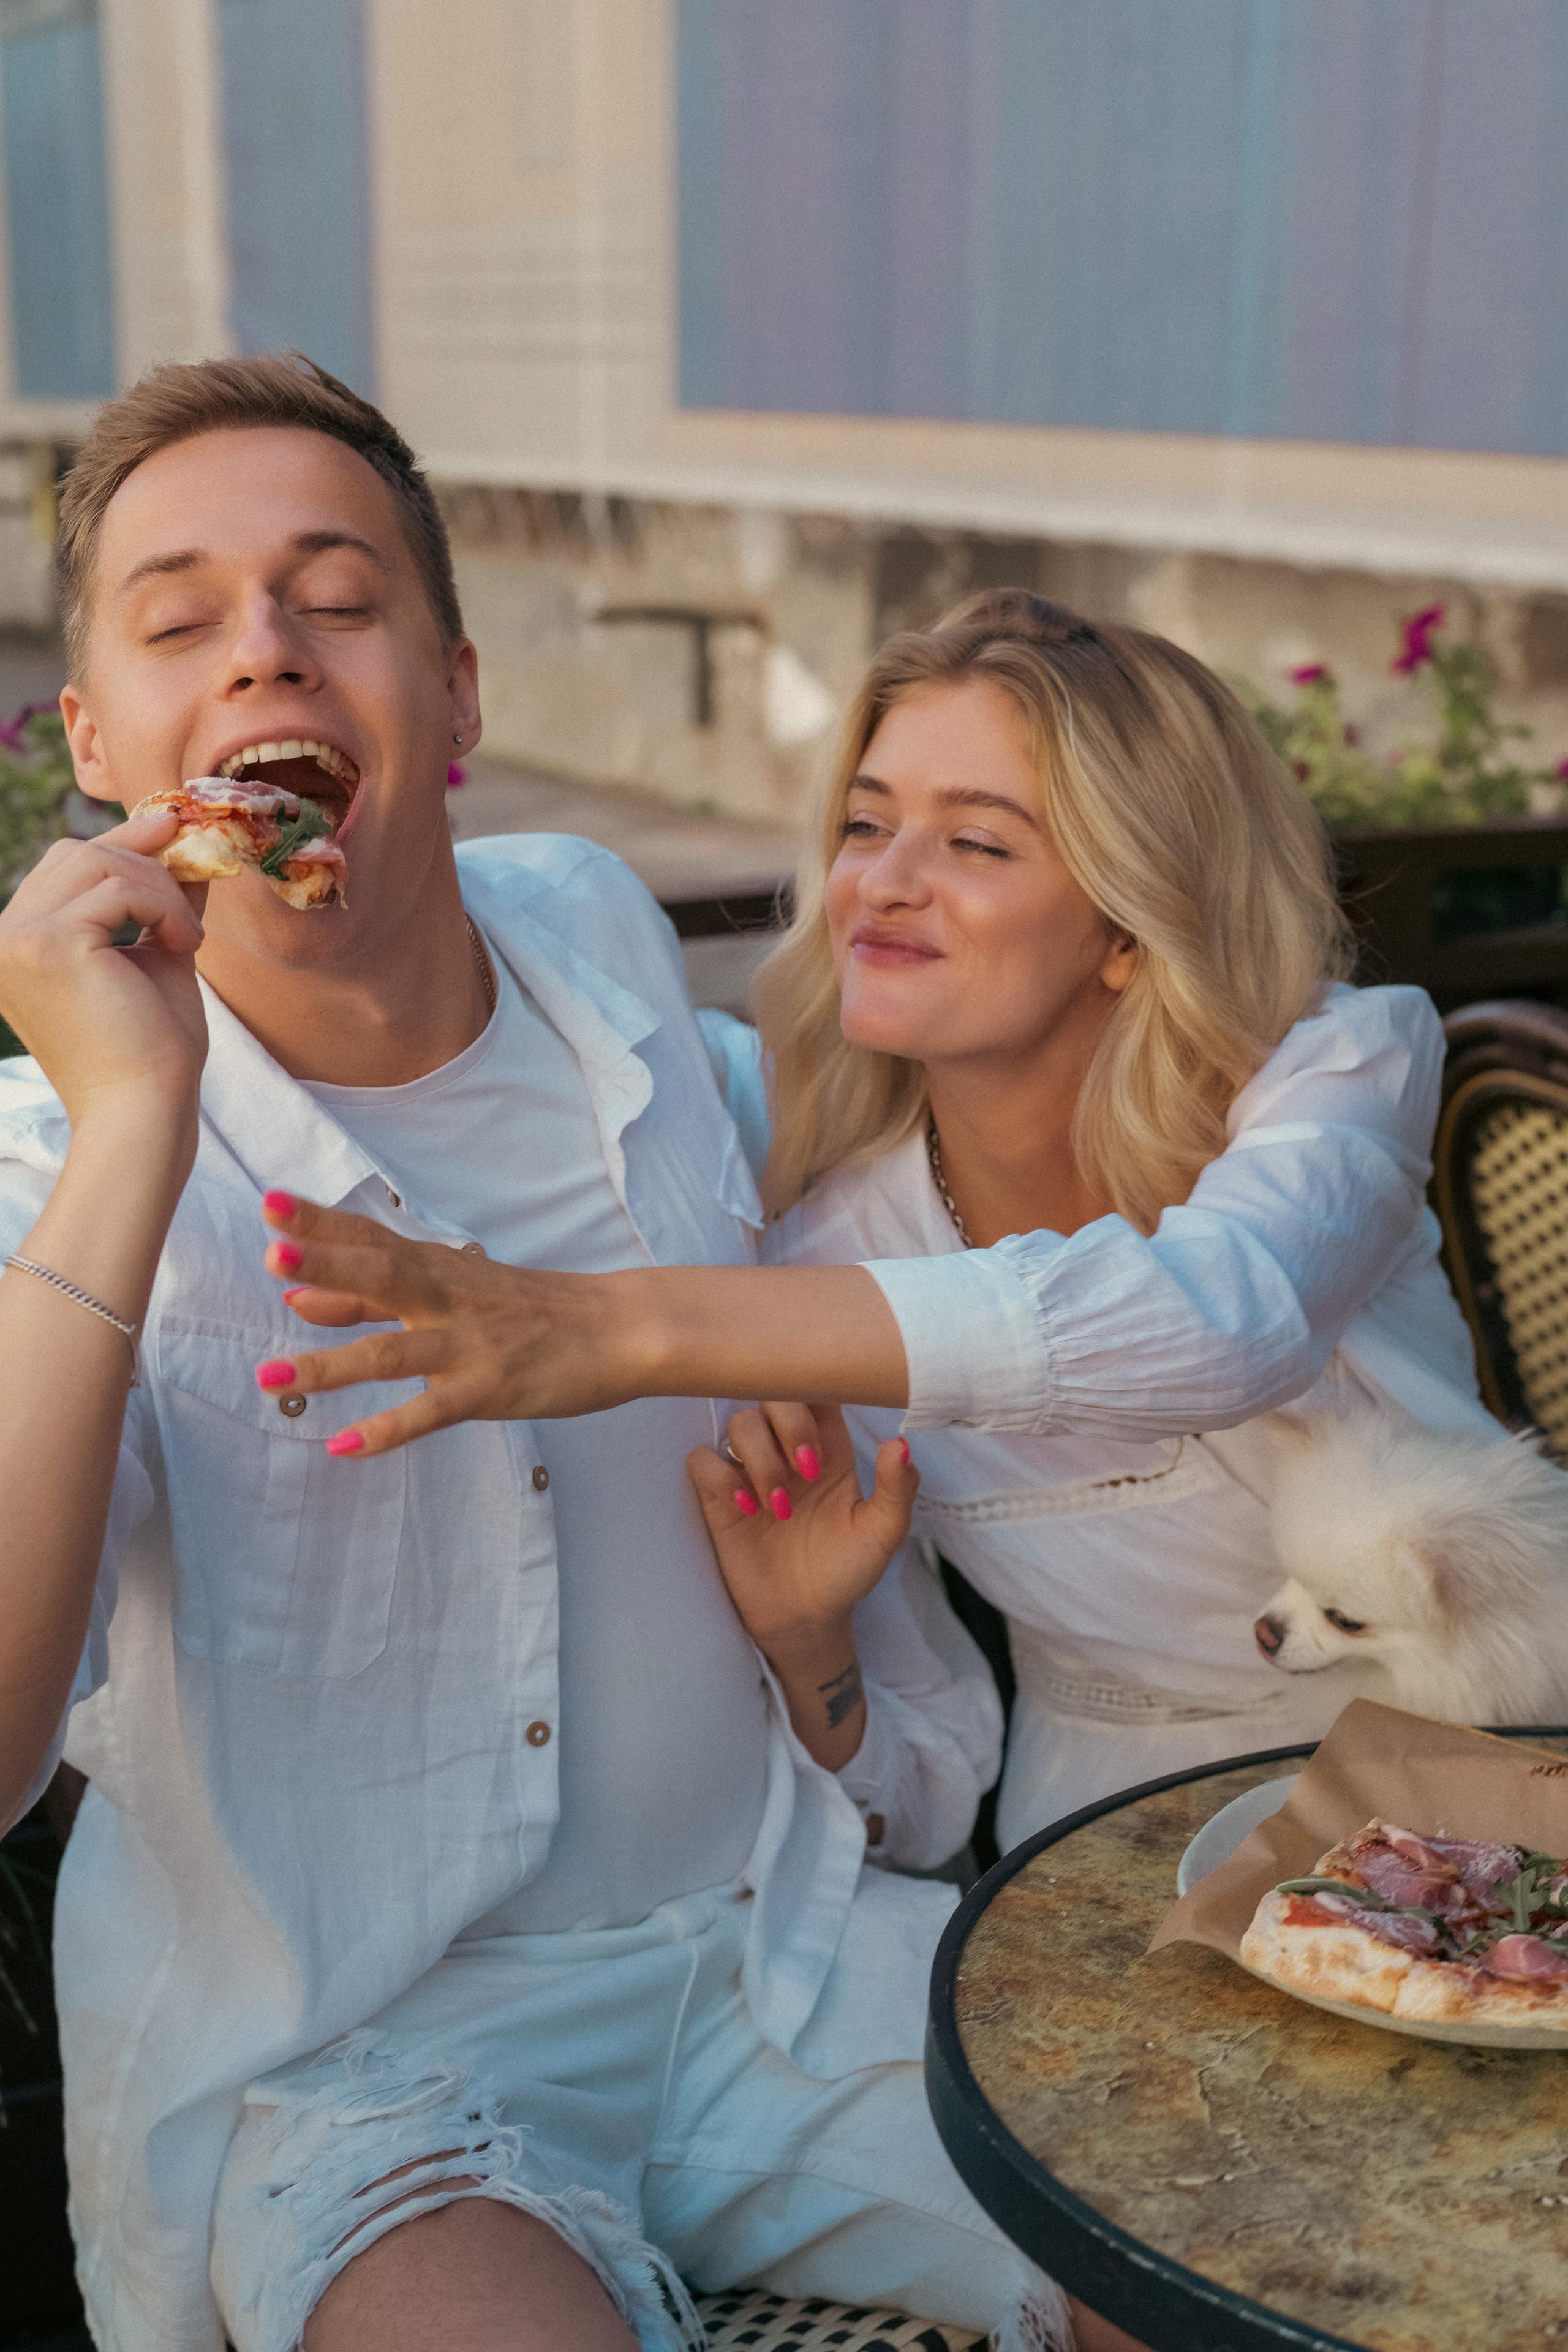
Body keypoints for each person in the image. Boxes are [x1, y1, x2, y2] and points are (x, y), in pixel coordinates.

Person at [0, 363, 1126, 2352]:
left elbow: (967, 1222)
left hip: (786, 1957)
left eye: (336, 599)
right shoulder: (51, 1177)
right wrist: (129, 1132)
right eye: (182, 620)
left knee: (1234, 2271)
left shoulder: (603, 952)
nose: (265, 646)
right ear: (102, 747)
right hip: (369, 2075)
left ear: (456, 697)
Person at [263, 592, 1498, 1849]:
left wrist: (606, 1328)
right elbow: (917, 1807)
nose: (879, 886)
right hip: (1105, 1833)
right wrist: (810, 1652)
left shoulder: (1330, 1072)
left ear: (1126, 926)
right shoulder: (832, 1256)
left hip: (1474, 1763)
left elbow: (1219, 1322)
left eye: (976, 843)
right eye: (865, 824)